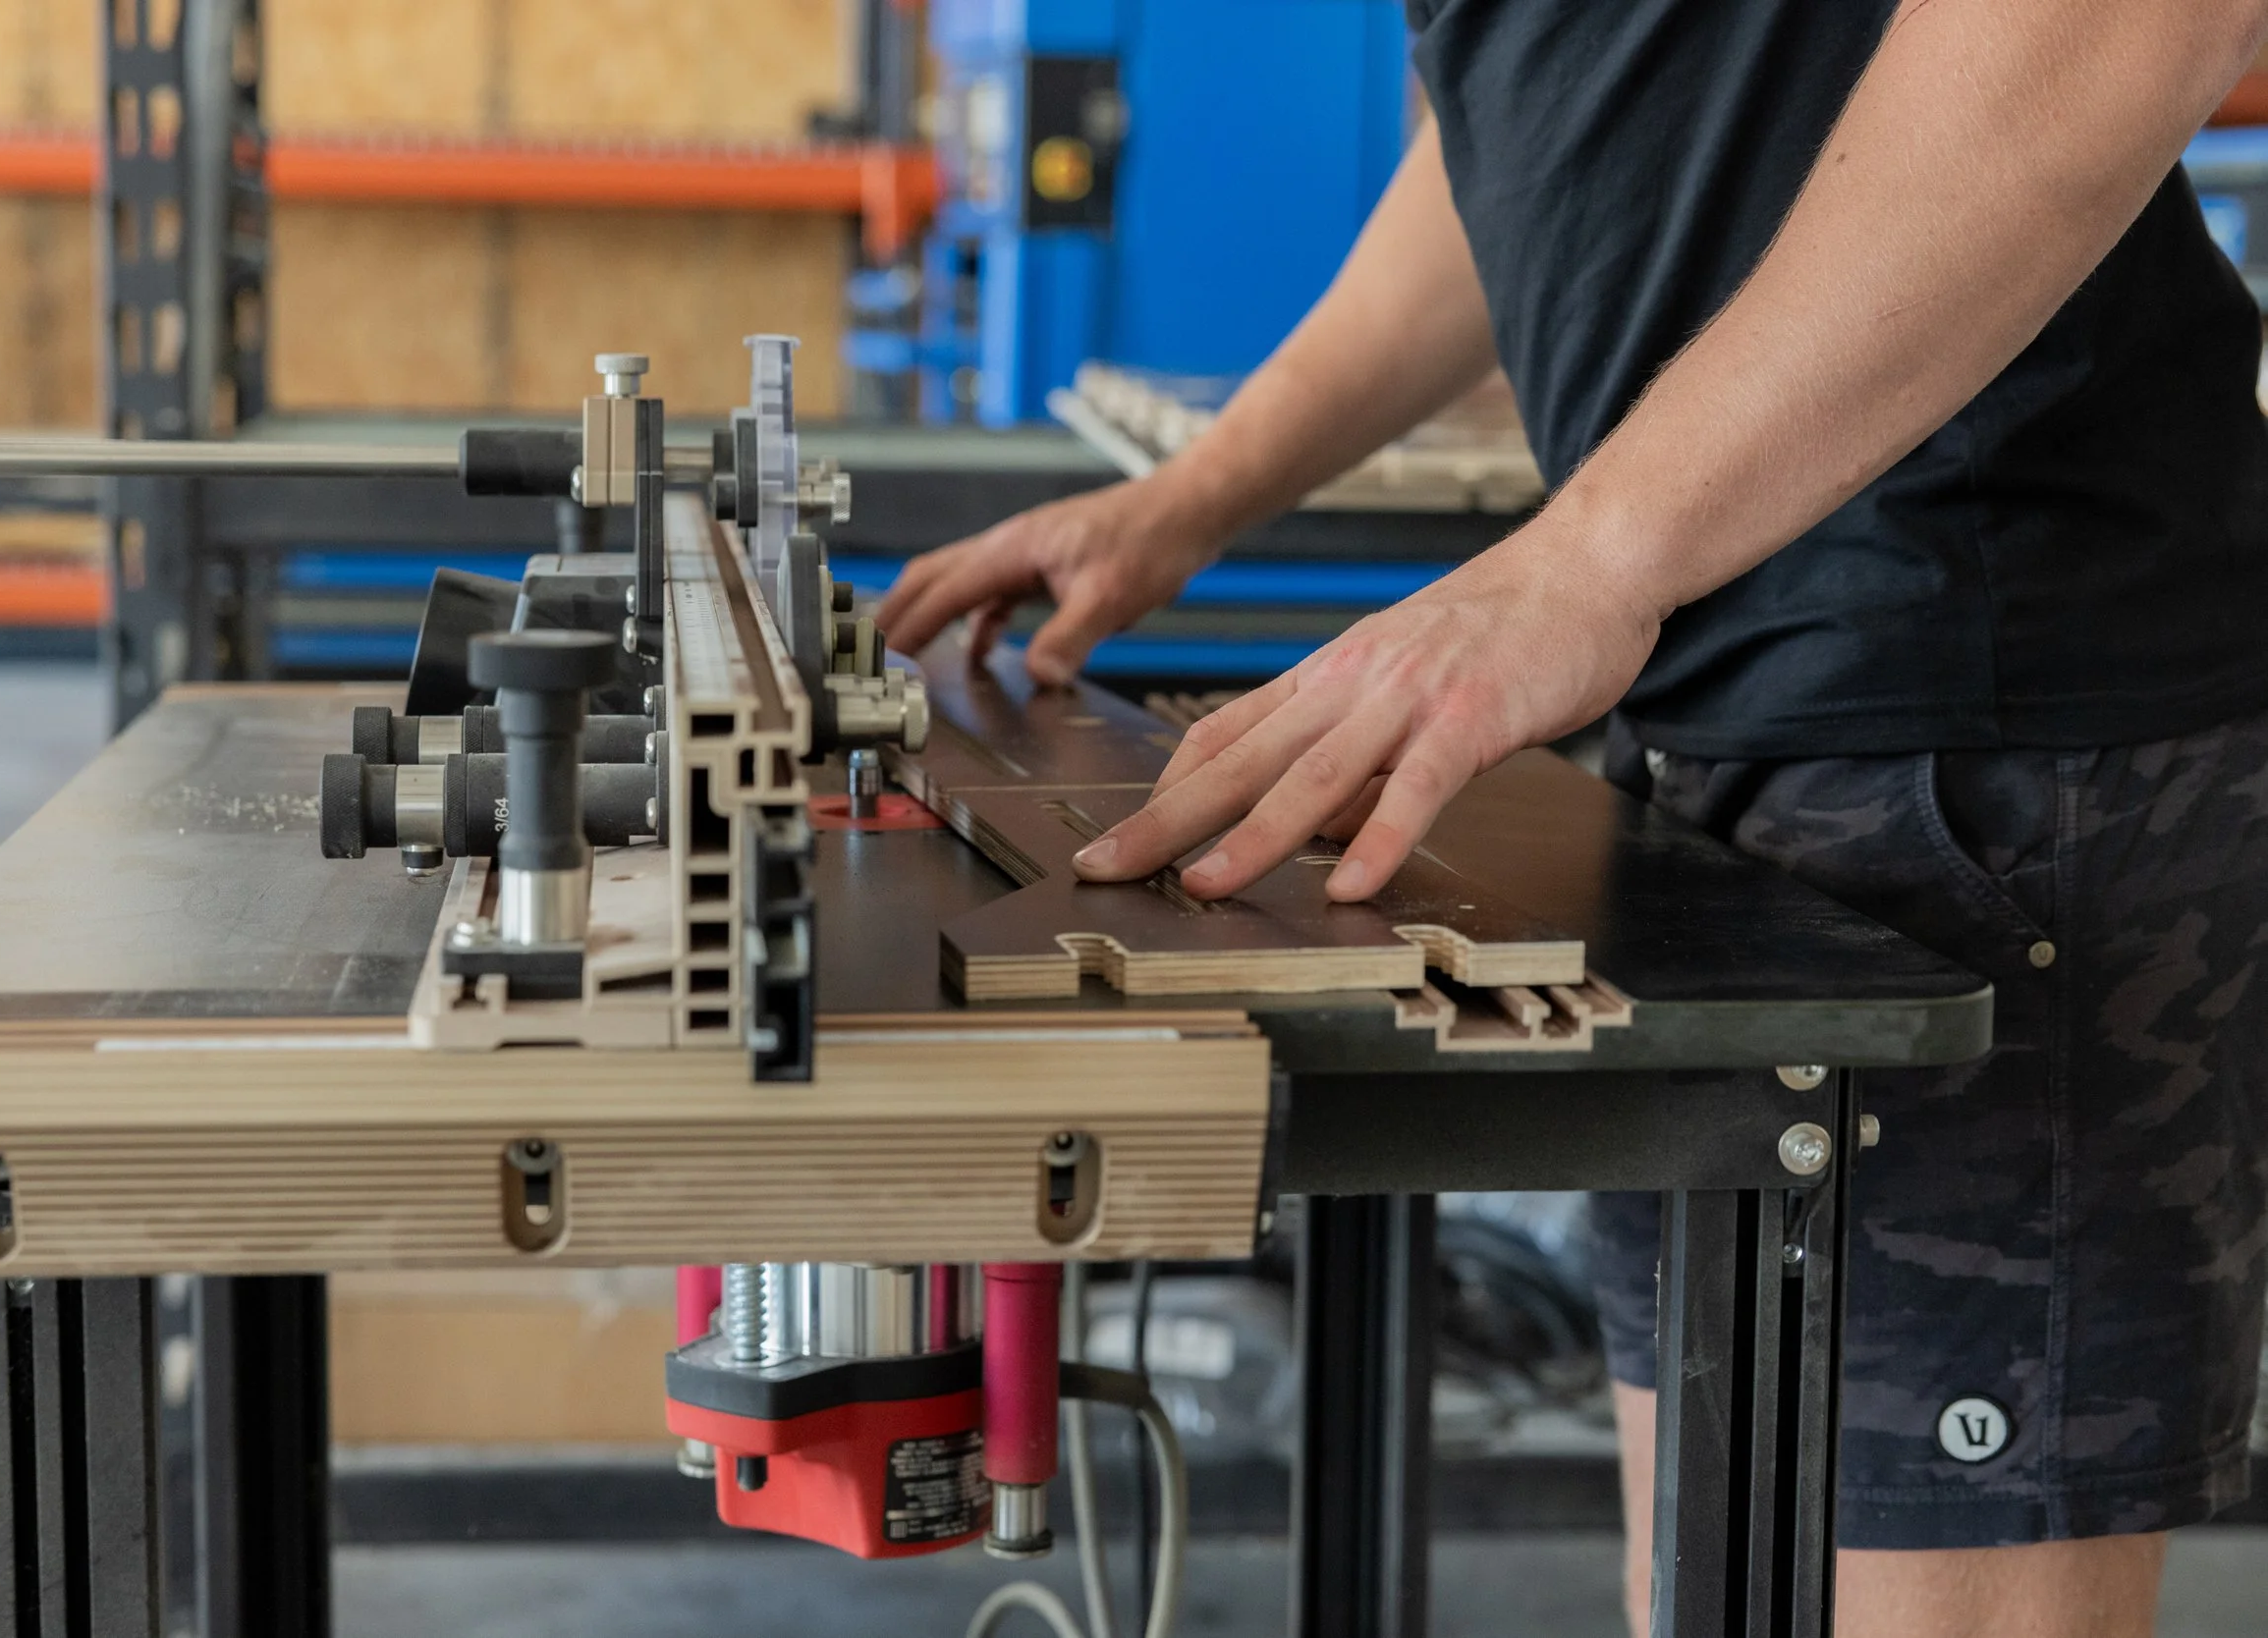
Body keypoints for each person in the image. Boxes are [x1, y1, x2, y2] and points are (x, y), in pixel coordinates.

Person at [877, 3, 2268, 1634]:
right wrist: (1193, 498)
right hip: (1724, 709)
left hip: (1988, 708)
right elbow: (1546, 105)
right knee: (1709, 1587)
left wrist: (1588, 560)